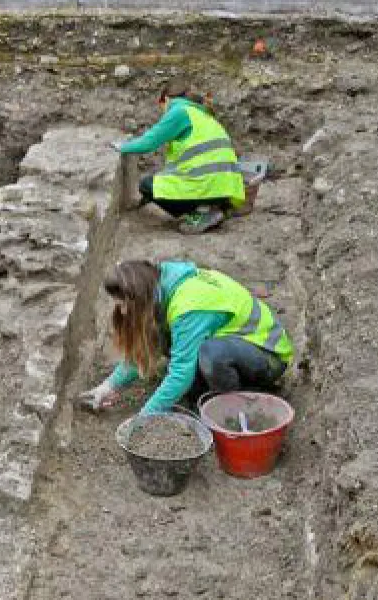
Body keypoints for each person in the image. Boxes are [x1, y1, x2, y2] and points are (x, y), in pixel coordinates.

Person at [79, 260, 294, 415]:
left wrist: (145, 418)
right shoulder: (161, 283)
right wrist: (109, 386)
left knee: (208, 354)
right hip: (236, 346)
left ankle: (230, 410)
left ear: (140, 297)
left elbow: (181, 372)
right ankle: (206, 393)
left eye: (124, 304)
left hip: (268, 356)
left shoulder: (187, 307)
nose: (123, 312)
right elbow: (147, 346)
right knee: (172, 345)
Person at [112, 78, 246, 234]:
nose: (163, 112)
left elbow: (148, 143)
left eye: (162, 106)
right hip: (227, 190)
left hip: (208, 187)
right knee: (165, 181)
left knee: (147, 185)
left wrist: (122, 146)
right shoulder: (203, 114)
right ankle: (214, 208)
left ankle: (200, 214)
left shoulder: (179, 111)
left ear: (166, 99)